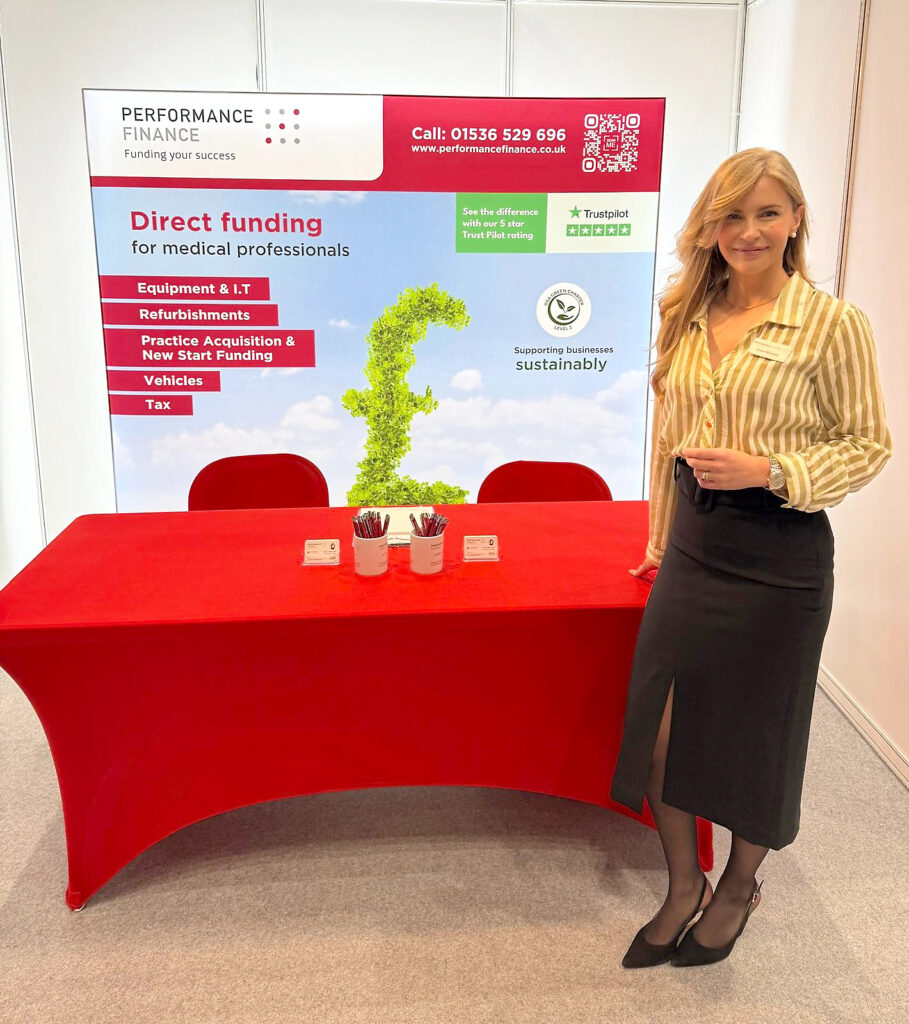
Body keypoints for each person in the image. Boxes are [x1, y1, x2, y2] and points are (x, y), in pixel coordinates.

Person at [609, 148, 891, 969]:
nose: (747, 231)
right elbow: (666, 444)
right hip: (694, 550)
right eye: (730, 215)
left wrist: (772, 471)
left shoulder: (831, 324)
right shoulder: (683, 315)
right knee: (659, 737)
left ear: (795, 220)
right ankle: (680, 884)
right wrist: (660, 541)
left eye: (767, 213)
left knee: (756, 741)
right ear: (710, 227)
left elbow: (867, 445)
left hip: (779, 556)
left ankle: (736, 888)